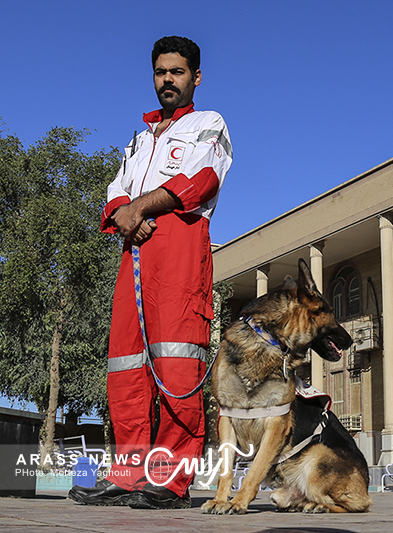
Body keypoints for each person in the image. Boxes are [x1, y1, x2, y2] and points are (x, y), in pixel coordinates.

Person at [69, 36, 233, 509]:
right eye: (161, 71)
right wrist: (127, 214)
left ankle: (170, 480)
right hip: (134, 253)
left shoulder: (209, 124)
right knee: (126, 366)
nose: (167, 79)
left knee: (177, 360)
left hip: (180, 247)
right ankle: (127, 475)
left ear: (195, 77)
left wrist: (138, 209)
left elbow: (201, 180)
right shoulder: (140, 140)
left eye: (177, 72)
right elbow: (114, 193)